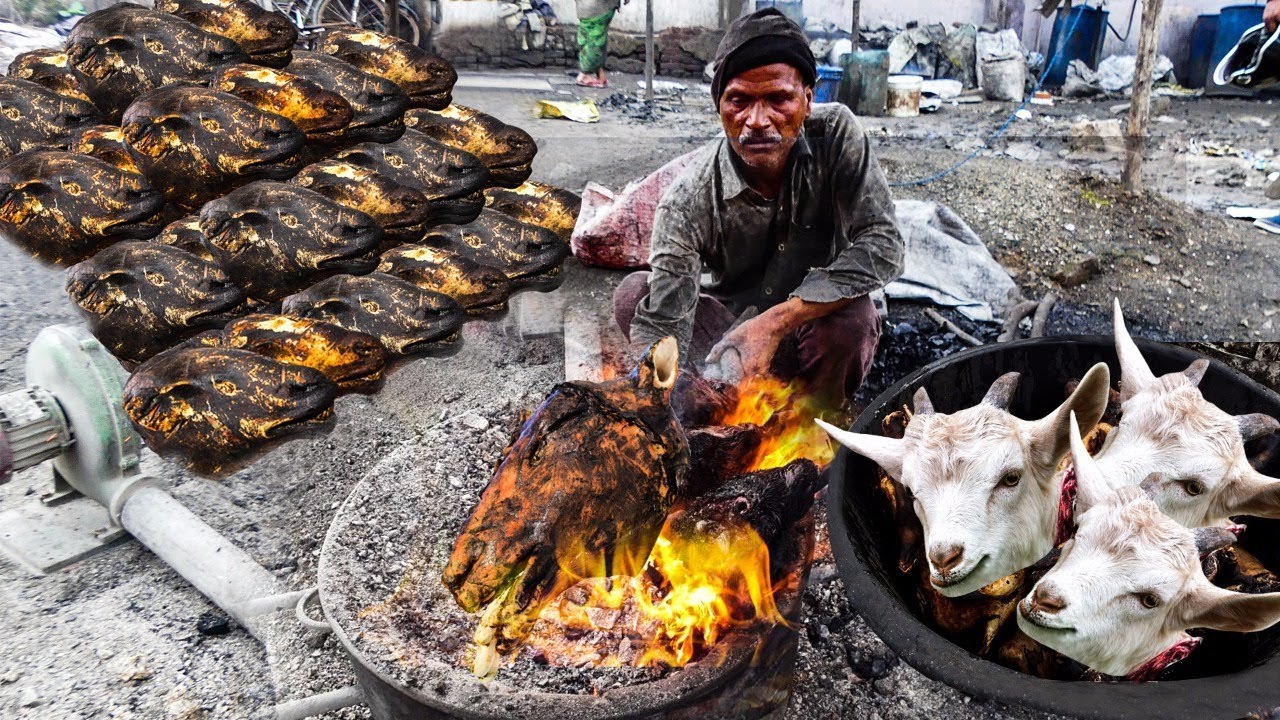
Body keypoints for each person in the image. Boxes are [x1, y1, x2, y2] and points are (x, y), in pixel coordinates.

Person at [613, 8, 904, 412]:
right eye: (739, 100)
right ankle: (714, 404)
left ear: (808, 99)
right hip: (728, 338)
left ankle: (812, 425)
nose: (756, 120)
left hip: (814, 325)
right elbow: (666, 322)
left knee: (854, 319)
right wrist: (664, 400)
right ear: (719, 106)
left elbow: (883, 244)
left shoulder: (836, 135)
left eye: (778, 99)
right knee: (635, 294)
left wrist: (774, 323)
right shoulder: (688, 200)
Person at [575, 0, 624, 87]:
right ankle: (585, 75)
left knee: (590, 39)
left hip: (584, 7)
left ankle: (600, 75)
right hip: (600, 7)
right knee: (595, 41)